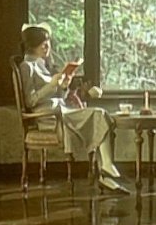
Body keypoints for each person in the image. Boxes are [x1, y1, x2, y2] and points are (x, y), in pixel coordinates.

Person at [19, 24, 130, 194]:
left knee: (101, 115)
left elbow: (59, 97)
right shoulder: (26, 66)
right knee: (98, 114)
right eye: (42, 43)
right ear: (32, 45)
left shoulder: (44, 65)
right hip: (49, 117)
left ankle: (106, 171)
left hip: (62, 111)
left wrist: (63, 86)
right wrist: (51, 85)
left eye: (48, 42)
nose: (47, 46)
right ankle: (106, 170)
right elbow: (30, 101)